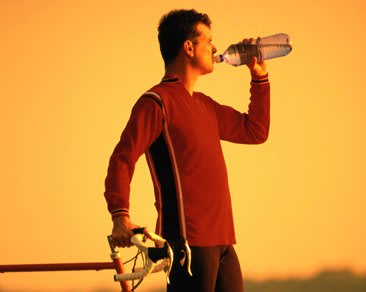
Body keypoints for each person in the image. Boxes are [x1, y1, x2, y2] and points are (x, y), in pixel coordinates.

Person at [104, 9, 270, 292]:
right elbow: (122, 158)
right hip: (188, 243)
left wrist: (259, 77)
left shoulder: (206, 106)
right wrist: (120, 216)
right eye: (208, 40)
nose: (215, 47)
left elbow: (255, 131)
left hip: (224, 243)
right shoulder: (156, 101)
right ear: (189, 47)